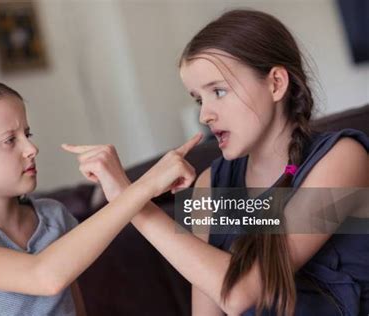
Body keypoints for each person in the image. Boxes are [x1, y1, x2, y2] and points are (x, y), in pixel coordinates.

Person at [63, 9, 369, 316]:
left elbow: (241, 292)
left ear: (276, 83)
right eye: (199, 99)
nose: (204, 115)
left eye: (218, 91)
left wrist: (130, 199)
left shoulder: (343, 159)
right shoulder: (210, 184)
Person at [0, 78, 202, 316]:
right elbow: (44, 276)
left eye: (27, 134)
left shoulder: (53, 216)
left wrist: (127, 190)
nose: (31, 148)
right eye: (9, 140)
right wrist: (143, 187)